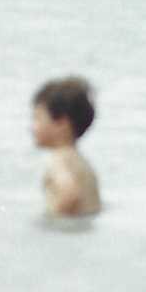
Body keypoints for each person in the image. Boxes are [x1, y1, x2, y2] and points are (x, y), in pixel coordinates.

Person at [32, 77, 102, 217]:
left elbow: (69, 194)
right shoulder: (82, 162)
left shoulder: (59, 160)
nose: (33, 127)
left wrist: (52, 222)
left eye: (38, 118)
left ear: (61, 124)